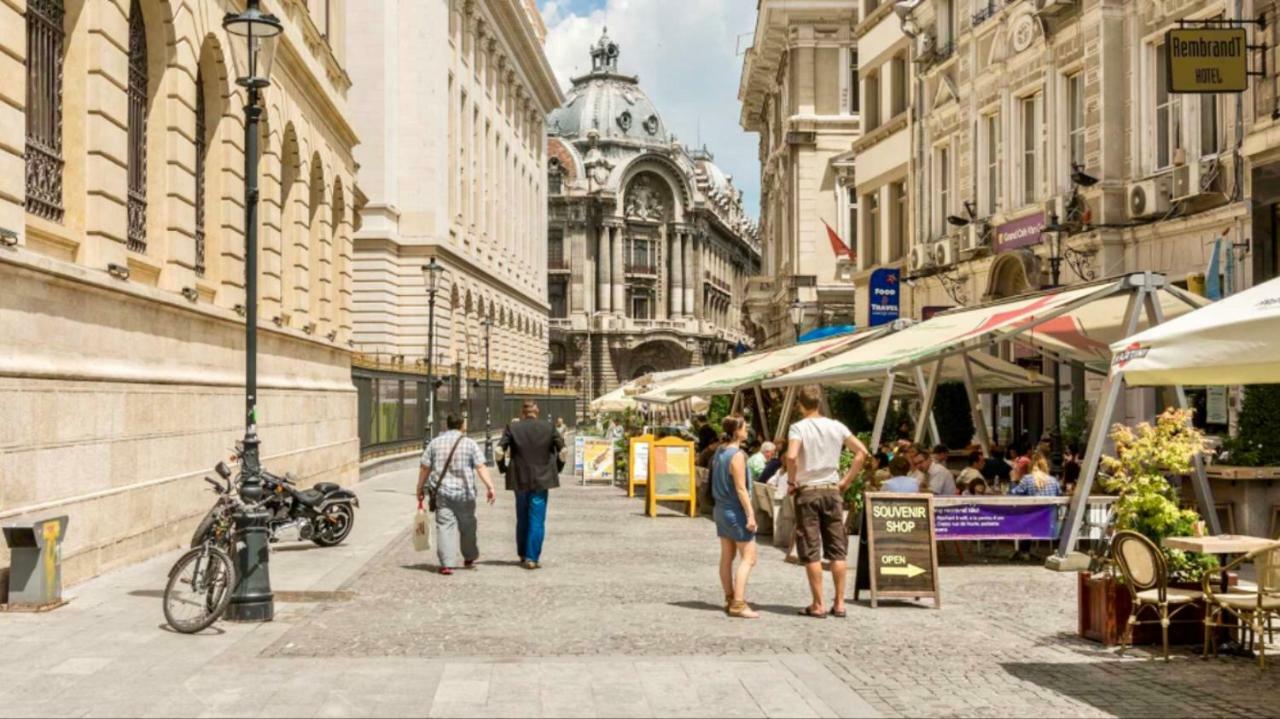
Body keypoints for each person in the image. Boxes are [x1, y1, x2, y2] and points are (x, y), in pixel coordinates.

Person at [785, 385, 869, 619]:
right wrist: (846, 481)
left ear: (800, 405)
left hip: (808, 491)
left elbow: (791, 456)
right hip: (832, 491)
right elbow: (861, 452)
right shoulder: (836, 426)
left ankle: (818, 604)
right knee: (837, 550)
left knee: (811, 549)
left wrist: (792, 481)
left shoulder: (798, 427)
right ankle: (840, 603)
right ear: (819, 403)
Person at [417, 414, 496, 576]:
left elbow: (425, 467)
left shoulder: (435, 443)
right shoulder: (470, 444)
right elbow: (480, 467)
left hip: (442, 493)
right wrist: (490, 487)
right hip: (465, 494)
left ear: (447, 425)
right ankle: (469, 556)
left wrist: (419, 487)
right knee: (468, 526)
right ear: (462, 426)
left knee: (445, 527)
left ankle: (447, 564)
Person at [499, 400, 565, 570]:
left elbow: (499, 451)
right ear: (537, 411)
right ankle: (531, 557)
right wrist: (558, 468)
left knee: (522, 517)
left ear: (523, 412)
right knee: (537, 518)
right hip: (542, 479)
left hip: (519, 478)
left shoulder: (513, 427)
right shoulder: (549, 427)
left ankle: (522, 552)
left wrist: (502, 468)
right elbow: (563, 451)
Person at [711, 415, 759, 619]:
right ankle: (738, 604)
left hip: (720, 509)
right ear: (736, 431)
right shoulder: (737, 455)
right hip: (734, 509)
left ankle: (729, 597)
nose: (747, 430)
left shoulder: (719, 452)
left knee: (726, 557)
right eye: (744, 427)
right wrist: (750, 514)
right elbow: (740, 489)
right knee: (749, 558)